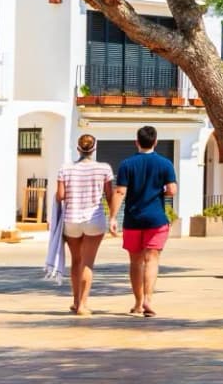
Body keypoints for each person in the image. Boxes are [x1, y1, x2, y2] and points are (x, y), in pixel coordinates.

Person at [112, 125, 178, 317]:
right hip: (156, 219)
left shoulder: (127, 164)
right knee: (152, 260)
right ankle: (149, 299)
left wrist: (113, 217)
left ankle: (138, 303)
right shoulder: (165, 164)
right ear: (155, 142)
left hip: (133, 220)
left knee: (135, 262)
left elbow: (120, 191)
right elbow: (172, 190)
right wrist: (159, 191)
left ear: (137, 142)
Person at [54, 134, 117, 315]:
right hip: (94, 220)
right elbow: (109, 194)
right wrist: (113, 217)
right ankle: (83, 304)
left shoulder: (65, 169)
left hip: (71, 219)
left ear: (78, 148)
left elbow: (60, 196)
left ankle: (75, 301)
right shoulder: (104, 168)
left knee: (76, 261)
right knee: (88, 262)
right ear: (94, 148)